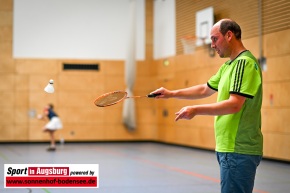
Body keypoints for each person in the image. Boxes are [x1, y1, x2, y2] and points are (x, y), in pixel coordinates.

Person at [151, 19, 263, 193]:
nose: (212, 45)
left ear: (229, 35)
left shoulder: (244, 63)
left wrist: (196, 110)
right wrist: (171, 93)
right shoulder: (228, 66)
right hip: (228, 148)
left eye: (214, 39)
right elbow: (205, 89)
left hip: (238, 147)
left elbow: (234, 105)